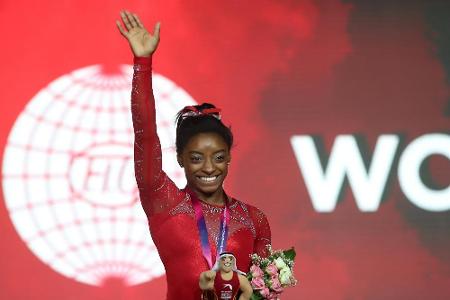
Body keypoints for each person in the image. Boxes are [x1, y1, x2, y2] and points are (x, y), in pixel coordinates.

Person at [116, 10, 271, 299]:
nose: (209, 167)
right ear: (181, 159)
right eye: (197, 158)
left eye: (219, 157)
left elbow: (263, 294)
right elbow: (145, 134)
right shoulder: (163, 201)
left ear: (229, 158)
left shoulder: (254, 219)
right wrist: (143, 63)